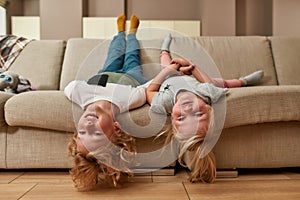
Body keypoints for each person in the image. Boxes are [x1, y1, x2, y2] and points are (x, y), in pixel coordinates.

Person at [146, 34, 264, 183]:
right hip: (190, 73)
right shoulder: (205, 93)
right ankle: (243, 81)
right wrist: (190, 66)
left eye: (181, 117)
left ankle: (164, 50)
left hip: (169, 76)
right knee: (219, 83)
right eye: (198, 114)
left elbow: (150, 91)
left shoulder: (165, 101)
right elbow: (207, 82)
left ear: (172, 119)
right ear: (208, 109)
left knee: (164, 63)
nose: (187, 109)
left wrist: (169, 70)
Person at [64, 14, 149, 191]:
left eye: (81, 132)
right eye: (95, 133)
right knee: (132, 56)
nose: (88, 124)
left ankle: (120, 32)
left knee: (115, 53)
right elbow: (146, 89)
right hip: (132, 76)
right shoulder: (128, 102)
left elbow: (70, 86)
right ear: (116, 129)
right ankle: (132, 33)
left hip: (104, 75)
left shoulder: (80, 95)